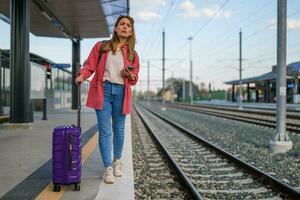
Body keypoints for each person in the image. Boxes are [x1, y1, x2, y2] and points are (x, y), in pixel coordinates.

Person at [75, 15, 140, 184]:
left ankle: (117, 161)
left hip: (121, 92)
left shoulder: (133, 54)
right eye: (122, 24)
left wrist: (130, 75)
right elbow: (90, 65)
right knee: (105, 130)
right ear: (116, 29)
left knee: (119, 129)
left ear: (131, 32)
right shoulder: (102, 46)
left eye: (128, 25)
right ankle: (107, 168)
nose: (125, 27)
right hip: (103, 91)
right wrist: (82, 75)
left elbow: (134, 79)